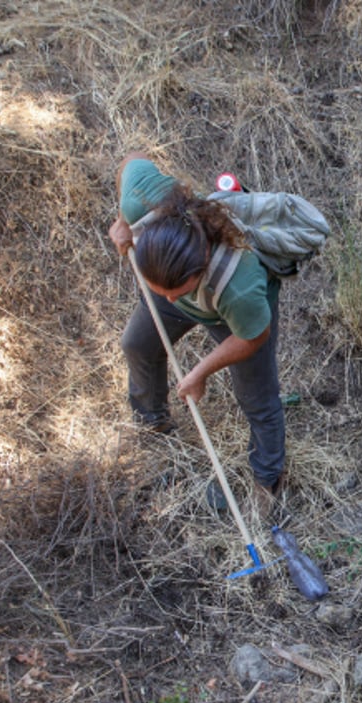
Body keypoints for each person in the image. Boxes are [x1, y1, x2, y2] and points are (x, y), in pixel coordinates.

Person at [107, 152, 285, 511]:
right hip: (182, 280)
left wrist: (200, 372)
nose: (170, 299)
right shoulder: (143, 204)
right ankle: (152, 423)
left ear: (200, 264)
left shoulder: (239, 286)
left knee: (257, 399)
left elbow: (254, 337)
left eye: (178, 290)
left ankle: (268, 479)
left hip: (229, 317)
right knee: (138, 344)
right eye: (162, 290)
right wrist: (122, 222)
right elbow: (132, 161)